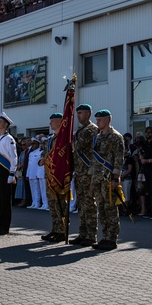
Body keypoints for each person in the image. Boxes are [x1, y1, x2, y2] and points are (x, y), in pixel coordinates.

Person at [91, 109, 125, 251]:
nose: (97, 122)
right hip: (98, 178)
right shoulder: (97, 137)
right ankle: (104, 237)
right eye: (97, 119)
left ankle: (112, 239)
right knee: (101, 208)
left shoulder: (116, 137)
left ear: (107, 120)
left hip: (108, 178)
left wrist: (115, 178)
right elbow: (94, 159)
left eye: (100, 119)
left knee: (110, 209)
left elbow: (119, 158)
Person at [70, 104, 99, 246]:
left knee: (89, 204)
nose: (78, 116)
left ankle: (91, 235)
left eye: (81, 113)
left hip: (88, 172)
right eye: (77, 113)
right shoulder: (81, 130)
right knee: (81, 205)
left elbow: (78, 147)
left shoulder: (91, 130)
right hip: (79, 172)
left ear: (88, 114)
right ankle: (82, 233)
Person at [42, 113, 71, 242]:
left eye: (52, 121)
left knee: (60, 204)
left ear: (60, 122)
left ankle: (62, 231)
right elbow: (45, 154)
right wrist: (42, 160)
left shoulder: (64, 139)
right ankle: (55, 229)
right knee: (52, 205)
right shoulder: (50, 139)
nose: (50, 124)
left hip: (58, 176)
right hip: (49, 175)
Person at [0, 112, 18, 236]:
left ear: (6, 124)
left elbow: (14, 158)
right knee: (0, 199)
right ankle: (1, 224)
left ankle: (5, 226)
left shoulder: (9, 139)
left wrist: (12, 174)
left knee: (5, 199)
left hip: (6, 171)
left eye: (1, 122)